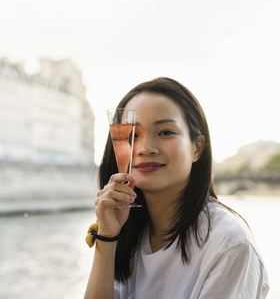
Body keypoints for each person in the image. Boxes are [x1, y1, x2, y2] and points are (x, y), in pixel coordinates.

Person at [84, 77, 269, 299]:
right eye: (132, 135)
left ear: (197, 148)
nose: (145, 148)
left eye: (165, 132)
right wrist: (107, 237)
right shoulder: (131, 232)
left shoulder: (228, 243)